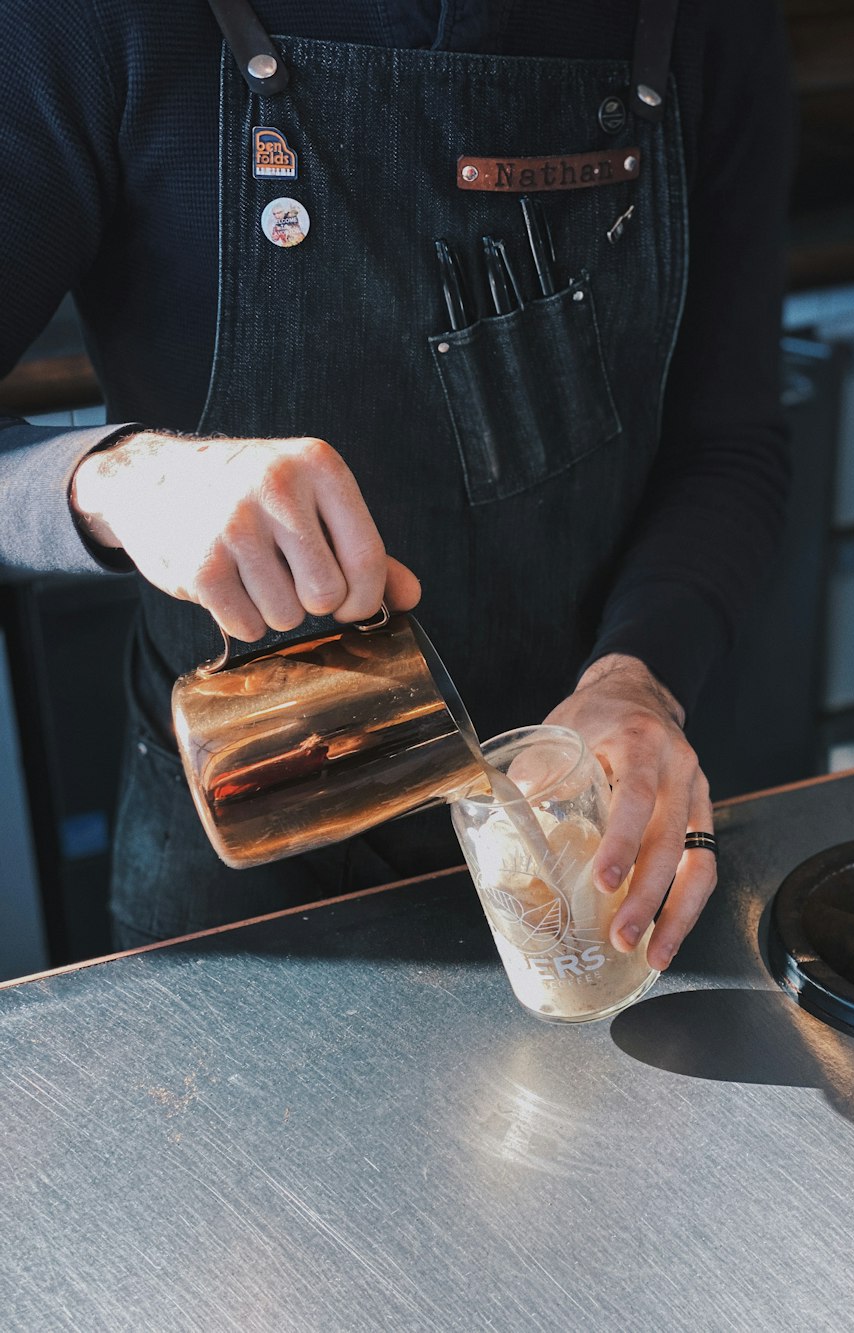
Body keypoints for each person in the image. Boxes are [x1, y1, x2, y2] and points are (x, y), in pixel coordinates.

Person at [0, 0, 793, 962]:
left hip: (591, 828)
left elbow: (730, 442)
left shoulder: (707, 22)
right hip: (256, 852)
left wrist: (641, 680)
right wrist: (114, 480)